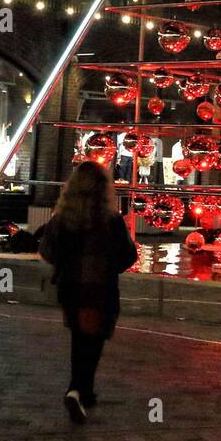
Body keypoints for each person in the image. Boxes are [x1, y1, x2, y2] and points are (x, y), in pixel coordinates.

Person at [38, 161, 138, 422]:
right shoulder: (111, 222)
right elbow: (129, 255)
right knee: (93, 342)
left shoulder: (62, 220)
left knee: (79, 339)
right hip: (101, 288)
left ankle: (82, 390)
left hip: (71, 287)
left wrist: (65, 263)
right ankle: (78, 389)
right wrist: (108, 264)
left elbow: (47, 251)